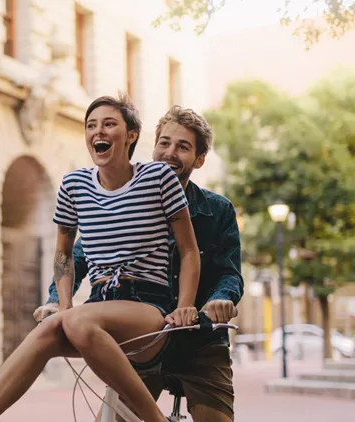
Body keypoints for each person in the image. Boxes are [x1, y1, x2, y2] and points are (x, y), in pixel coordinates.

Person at [0, 95, 202, 422]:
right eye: (91, 125)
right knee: (49, 329)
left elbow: (189, 250)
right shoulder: (74, 185)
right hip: (99, 305)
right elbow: (63, 254)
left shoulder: (158, 178)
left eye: (108, 124)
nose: (97, 132)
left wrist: (184, 305)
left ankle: (154, 420)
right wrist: (62, 304)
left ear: (131, 135)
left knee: (75, 319)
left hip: (148, 307)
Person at [36, 105, 244, 422]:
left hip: (199, 341)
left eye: (183, 147)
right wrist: (55, 301)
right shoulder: (129, 196)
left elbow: (229, 272)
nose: (170, 153)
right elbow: (77, 255)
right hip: (142, 339)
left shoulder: (218, 210)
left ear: (199, 160)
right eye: (164, 143)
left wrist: (220, 299)